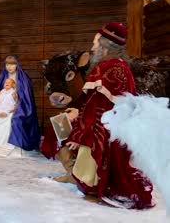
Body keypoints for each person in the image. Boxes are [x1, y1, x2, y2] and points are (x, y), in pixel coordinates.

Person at [64, 22, 154, 209]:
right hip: (116, 126)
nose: (93, 47)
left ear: (106, 45)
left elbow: (96, 106)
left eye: (96, 43)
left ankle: (98, 188)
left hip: (102, 128)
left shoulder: (105, 69)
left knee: (97, 161)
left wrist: (81, 131)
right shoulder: (122, 67)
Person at [0, 55, 40, 153]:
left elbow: (27, 98)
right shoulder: (3, 76)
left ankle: (16, 148)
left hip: (20, 106)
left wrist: (17, 100)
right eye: (7, 64)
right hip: (4, 105)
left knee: (16, 119)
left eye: (12, 64)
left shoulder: (23, 78)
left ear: (17, 65)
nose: (9, 67)